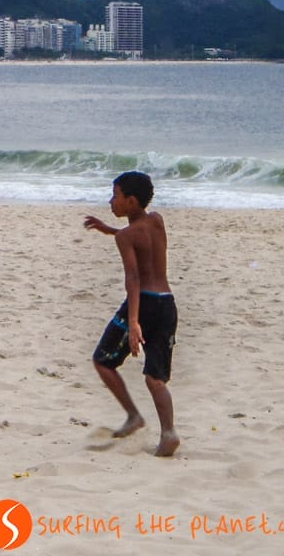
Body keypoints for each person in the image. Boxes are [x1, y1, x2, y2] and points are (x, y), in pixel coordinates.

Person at [83, 171, 180, 458]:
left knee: (102, 361)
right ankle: (169, 432)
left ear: (131, 201)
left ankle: (133, 415)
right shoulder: (156, 221)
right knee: (155, 377)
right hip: (167, 303)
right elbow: (142, 239)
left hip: (143, 304)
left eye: (115, 196)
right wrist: (110, 230)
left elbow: (133, 277)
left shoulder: (126, 236)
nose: (111, 201)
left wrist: (134, 321)